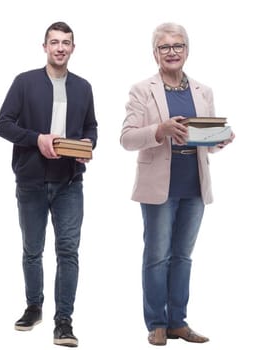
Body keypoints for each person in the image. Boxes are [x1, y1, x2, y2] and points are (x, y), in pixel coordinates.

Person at [120, 22, 233, 346]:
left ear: (187, 50)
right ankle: (156, 323)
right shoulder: (142, 90)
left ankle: (177, 322)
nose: (172, 52)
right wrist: (160, 129)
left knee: (183, 256)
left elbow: (206, 142)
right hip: (159, 188)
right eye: (165, 47)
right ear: (155, 53)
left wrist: (220, 139)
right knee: (157, 257)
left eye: (178, 46)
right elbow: (127, 138)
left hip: (194, 187)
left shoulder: (202, 91)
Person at [0, 21, 97, 348]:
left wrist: (87, 146)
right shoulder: (24, 83)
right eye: (54, 42)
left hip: (69, 182)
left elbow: (92, 127)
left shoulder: (83, 87)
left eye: (66, 42)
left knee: (68, 251)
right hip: (32, 181)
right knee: (32, 250)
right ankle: (34, 306)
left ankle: (63, 321)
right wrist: (36, 139)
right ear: (45, 47)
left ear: (73, 48)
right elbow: (2, 125)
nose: (60, 48)